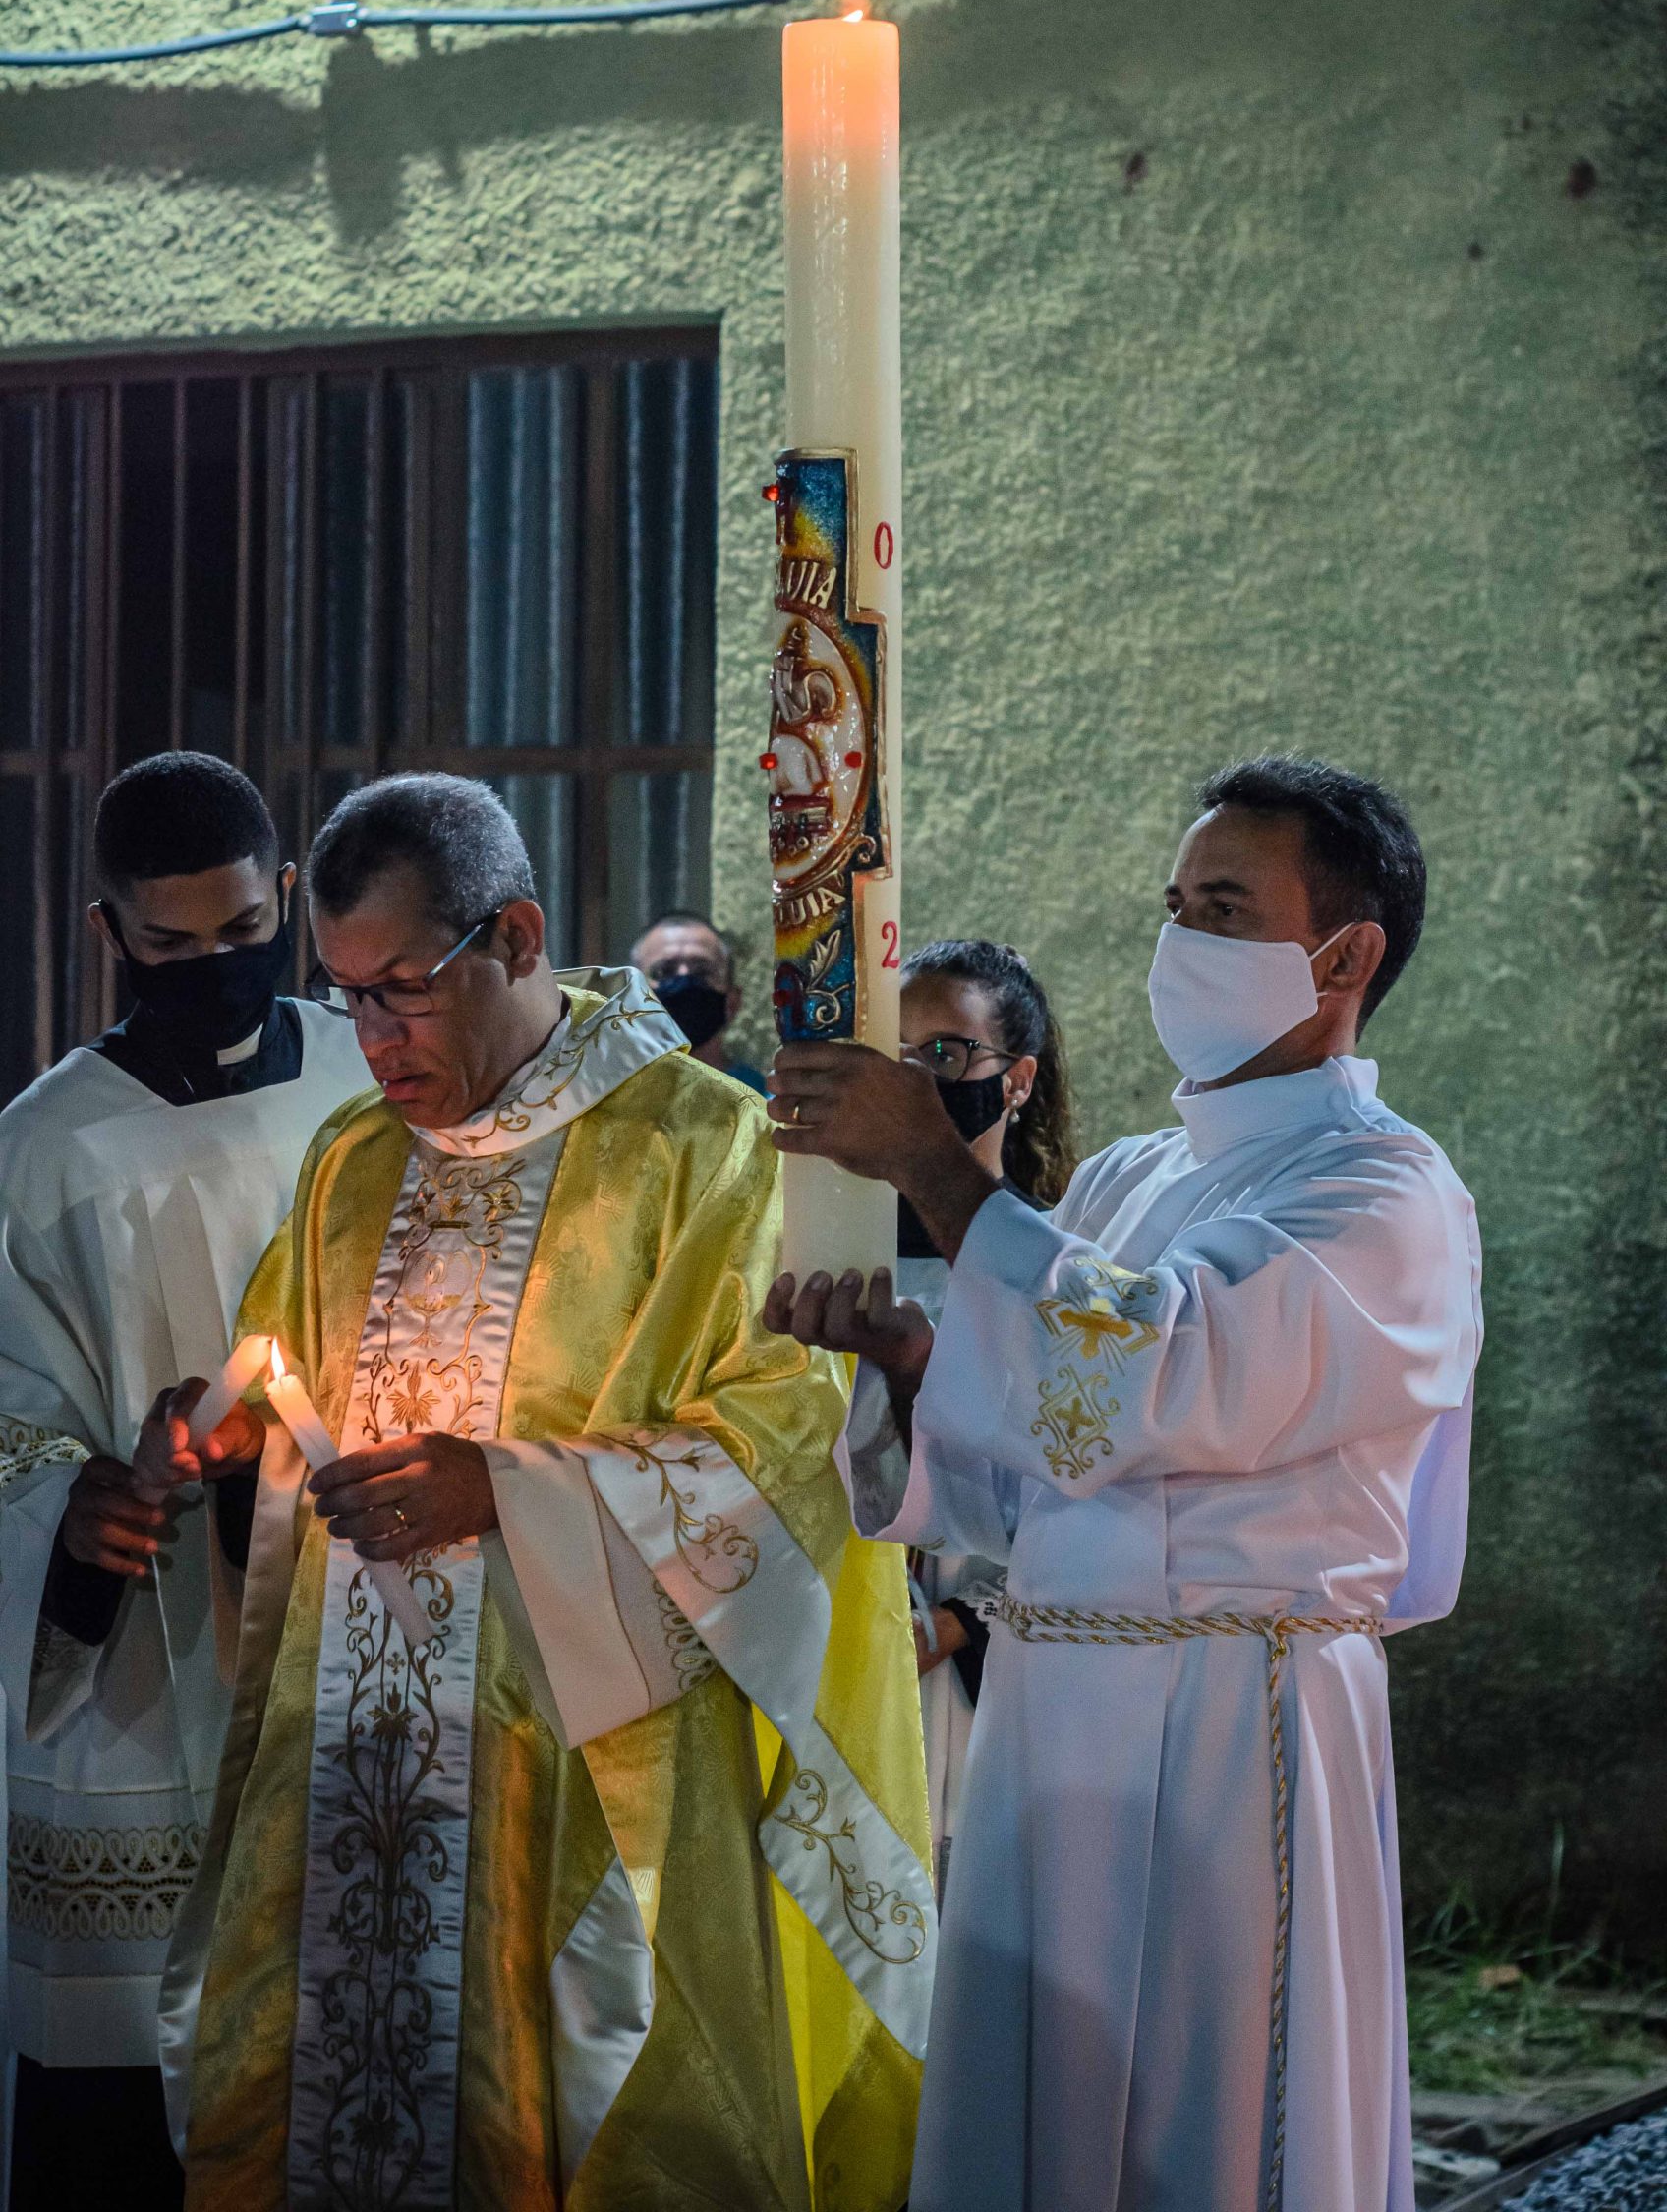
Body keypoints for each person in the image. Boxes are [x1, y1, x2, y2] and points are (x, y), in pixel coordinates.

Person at [158, 775, 931, 2212]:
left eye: (403, 989)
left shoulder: (705, 1147)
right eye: (346, 996)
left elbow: (786, 1436)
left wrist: (506, 1489)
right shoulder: (351, 1158)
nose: (373, 1039)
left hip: (581, 1763)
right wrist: (225, 1429)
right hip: (353, 1759)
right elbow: (281, 1370)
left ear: (514, 937)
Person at [768, 756, 1483, 2212]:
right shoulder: (1129, 1180)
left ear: (1343, 958)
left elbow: (1163, 1372)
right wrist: (914, 1368)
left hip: (1235, 1720)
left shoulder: (1384, 1190)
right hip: (1052, 1718)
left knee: (1201, 2127)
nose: (1177, 939)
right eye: (1175, 903)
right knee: (1030, 2124)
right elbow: (1035, 1477)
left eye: (1222, 908)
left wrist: (939, 1170)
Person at [0, 753, 369, 2212]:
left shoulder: (370, 1081)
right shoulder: (43, 1149)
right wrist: (74, 1500)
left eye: (244, 931)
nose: (214, 965)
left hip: (350, 1623)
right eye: (170, 942)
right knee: (118, 2134)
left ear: (287, 895)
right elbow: (9, 1413)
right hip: (142, 1678)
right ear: (108, 932)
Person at [889, 940, 1076, 1894]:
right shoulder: (821, 1255)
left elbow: (1082, 1472)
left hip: (983, 1666)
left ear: (1018, 1081)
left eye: (947, 1053)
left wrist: (959, 1623)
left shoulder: (1060, 1266)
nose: (917, 1080)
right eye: (897, 1054)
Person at [630, 909, 767, 1091]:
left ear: (733, 1002)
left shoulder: (768, 1104)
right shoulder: (603, 1101)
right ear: (632, 1001)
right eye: (664, 972)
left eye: (702, 972)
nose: (684, 979)